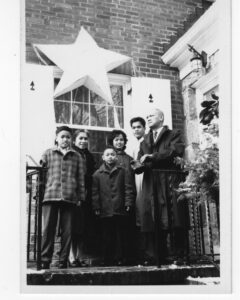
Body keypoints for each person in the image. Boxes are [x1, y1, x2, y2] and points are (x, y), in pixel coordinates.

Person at [136, 108, 185, 265]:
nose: (148, 117)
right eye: (147, 115)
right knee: (153, 217)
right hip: (152, 183)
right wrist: (137, 165)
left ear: (161, 118)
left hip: (169, 179)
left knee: (174, 217)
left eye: (151, 115)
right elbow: (141, 160)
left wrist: (153, 156)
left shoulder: (173, 134)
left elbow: (175, 151)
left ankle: (180, 255)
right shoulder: (144, 141)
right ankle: (157, 256)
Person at [40, 126, 85, 269]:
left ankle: (62, 260)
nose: (65, 139)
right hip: (50, 195)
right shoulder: (48, 153)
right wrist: (39, 194)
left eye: (68, 137)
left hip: (70, 196)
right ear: (56, 138)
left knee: (68, 230)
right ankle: (45, 259)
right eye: (62, 136)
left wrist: (81, 197)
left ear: (71, 140)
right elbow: (41, 176)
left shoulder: (76, 156)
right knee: (48, 229)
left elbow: (81, 178)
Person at [92, 147, 135, 266]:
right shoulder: (97, 174)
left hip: (120, 208)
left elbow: (128, 188)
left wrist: (128, 203)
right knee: (107, 236)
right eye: (107, 155)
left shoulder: (123, 171)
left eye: (112, 154)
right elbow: (95, 193)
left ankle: (121, 258)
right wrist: (96, 207)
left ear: (116, 157)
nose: (110, 157)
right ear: (103, 157)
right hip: (105, 210)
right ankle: (107, 259)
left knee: (121, 235)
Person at [69, 129, 96, 267]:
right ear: (74, 141)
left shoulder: (90, 156)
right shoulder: (72, 154)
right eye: (80, 138)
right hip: (74, 195)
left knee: (82, 228)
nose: (83, 141)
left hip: (87, 194)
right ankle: (71, 257)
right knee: (72, 227)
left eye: (86, 139)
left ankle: (79, 257)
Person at [129, 117, 146, 264]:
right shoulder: (132, 146)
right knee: (138, 213)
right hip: (136, 180)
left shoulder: (147, 143)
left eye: (139, 127)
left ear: (144, 128)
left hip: (146, 178)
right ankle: (141, 253)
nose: (136, 130)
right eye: (133, 127)